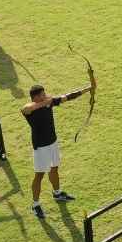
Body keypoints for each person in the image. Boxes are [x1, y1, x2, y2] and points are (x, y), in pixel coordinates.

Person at [22, 80, 94, 219]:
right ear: (35, 97)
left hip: (53, 142)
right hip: (41, 147)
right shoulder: (30, 109)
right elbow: (25, 109)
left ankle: (57, 193)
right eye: (42, 94)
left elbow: (68, 97)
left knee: (54, 168)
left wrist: (88, 88)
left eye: (45, 94)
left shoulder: (48, 102)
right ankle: (35, 205)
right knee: (39, 175)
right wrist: (46, 102)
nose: (45, 95)